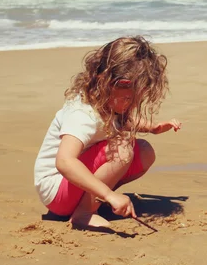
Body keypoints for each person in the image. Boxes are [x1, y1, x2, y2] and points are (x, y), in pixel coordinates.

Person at [33, 36, 181, 228]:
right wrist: (109, 194)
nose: (133, 104)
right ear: (105, 82)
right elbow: (64, 161)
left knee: (144, 151)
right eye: (128, 98)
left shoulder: (107, 102)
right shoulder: (81, 115)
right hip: (56, 190)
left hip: (72, 187)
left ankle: (92, 201)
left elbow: (119, 121)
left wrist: (153, 127)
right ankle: (84, 212)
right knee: (121, 148)